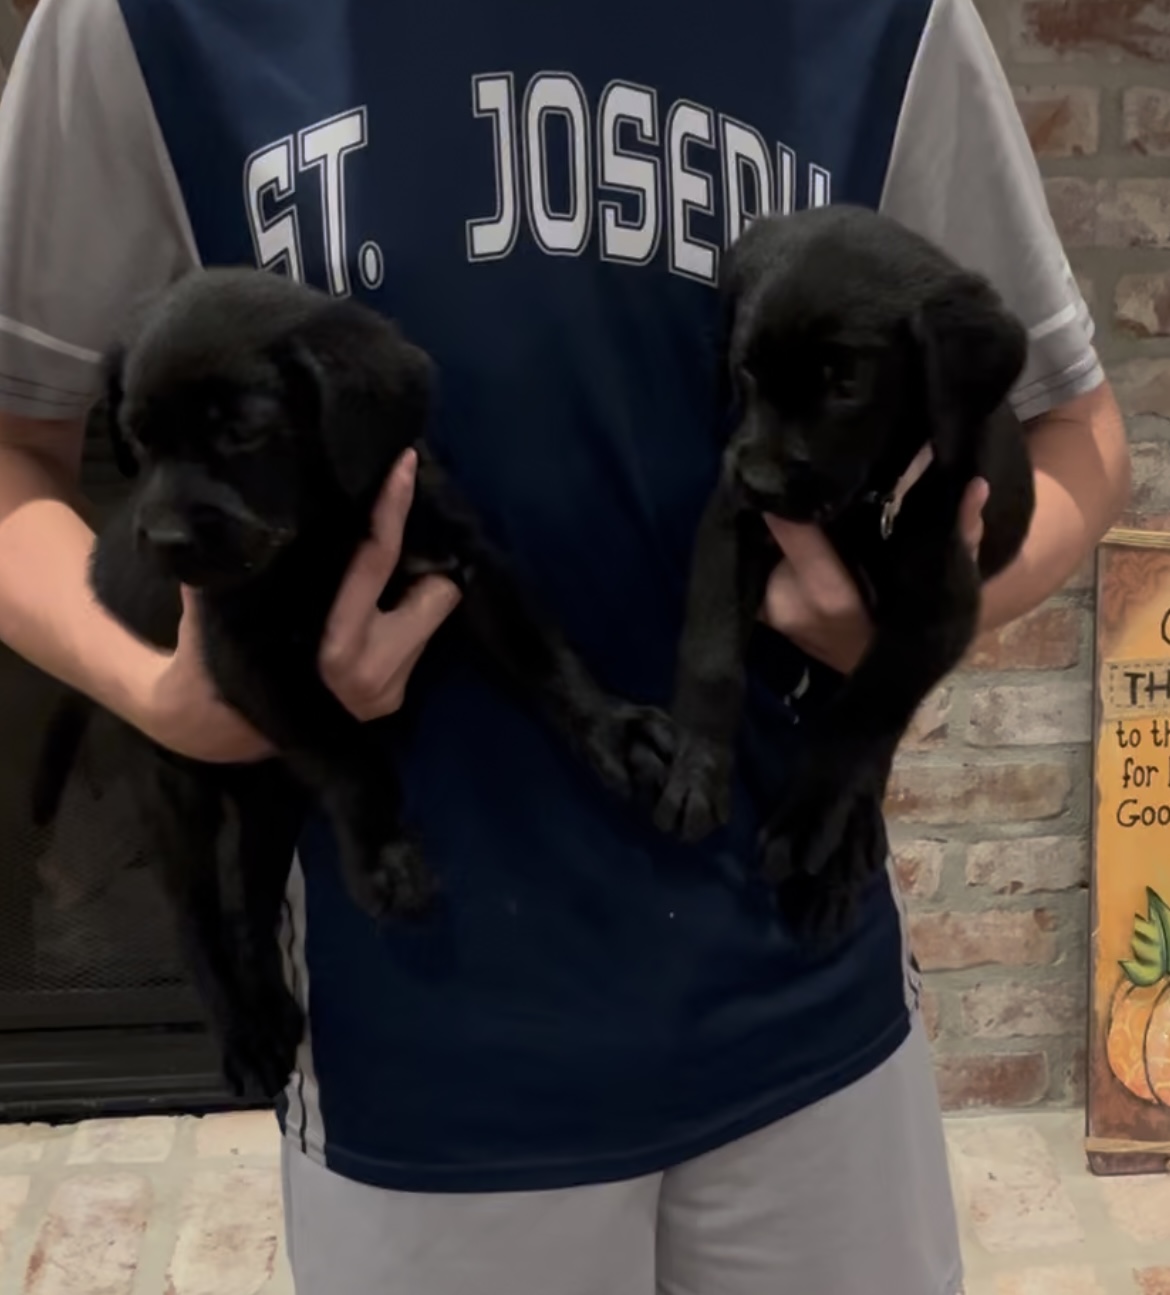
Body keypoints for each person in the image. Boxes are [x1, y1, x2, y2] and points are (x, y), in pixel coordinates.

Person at [0, 0, 1129, 1290]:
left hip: (809, 996)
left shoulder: (883, 23)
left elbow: (1079, 438)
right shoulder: (147, 25)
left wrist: (913, 623)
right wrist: (168, 694)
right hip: (423, 1055)